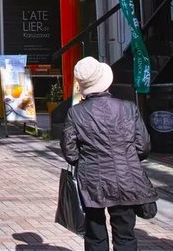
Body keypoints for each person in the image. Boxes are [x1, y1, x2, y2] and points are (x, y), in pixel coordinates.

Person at [61, 57, 156, 251]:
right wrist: (127, 159)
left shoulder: (76, 113)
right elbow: (143, 146)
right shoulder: (129, 107)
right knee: (125, 234)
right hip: (126, 178)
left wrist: (86, 160)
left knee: (95, 234)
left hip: (92, 181)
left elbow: (70, 152)